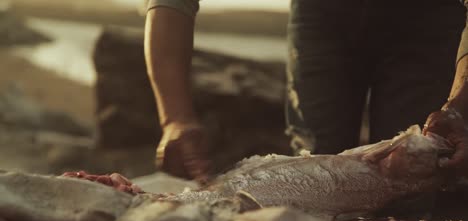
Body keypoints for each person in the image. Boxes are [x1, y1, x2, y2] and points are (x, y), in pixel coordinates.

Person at [144, 0, 468, 183]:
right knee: (313, 170)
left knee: (415, 166)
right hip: (322, 13)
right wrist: (175, 118)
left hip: (433, 14)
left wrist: (460, 106)